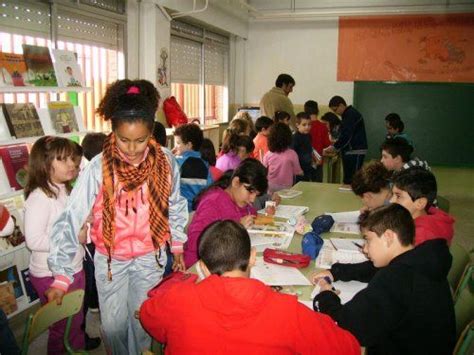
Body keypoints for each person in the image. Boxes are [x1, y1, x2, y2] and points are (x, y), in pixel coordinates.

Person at [45, 80, 188, 355]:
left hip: (150, 257)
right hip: (111, 260)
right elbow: (69, 218)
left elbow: (176, 203)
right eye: (124, 140)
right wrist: (62, 275)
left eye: (141, 140)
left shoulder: (166, 161)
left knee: (142, 322)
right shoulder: (97, 168)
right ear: (113, 132)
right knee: (112, 327)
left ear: (151, 134)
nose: (132, 149)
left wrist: (178, 243)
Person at [141, 220, 360, 354]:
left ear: (203, 268)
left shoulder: (178, 299)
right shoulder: (286, 311)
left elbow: (148, 316)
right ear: (253, 257)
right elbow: (347, 349)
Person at [312, 204, 455, 355]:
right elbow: (373, 270)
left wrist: (325, 296)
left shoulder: (396, 278)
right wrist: (338, 272)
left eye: (368, 240)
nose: (365, 249)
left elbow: (350, 324)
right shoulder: (421, 259)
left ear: (388, 237)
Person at [24, 136, 91, 353]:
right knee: (62, 329)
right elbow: (34, 240)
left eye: (73, 158)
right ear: (45, 164)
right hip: (50, 274)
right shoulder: (40, 197)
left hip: (74, 267)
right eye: (63, 159)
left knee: (75, 322)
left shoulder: (65, 189)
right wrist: (74, 236)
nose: (72, 164)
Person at [184, 158, 267, 268]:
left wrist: (263, 217)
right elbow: (196, 243)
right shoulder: (212, 203)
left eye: (256, 195)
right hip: (202, 266)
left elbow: (252, 216)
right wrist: (236, 228)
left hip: (228, 262)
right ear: (236, 182)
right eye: (250, 192)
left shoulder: (241, 202)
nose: (252, 199)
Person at [391, 168, 454, 246]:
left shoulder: (420, 237)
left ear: (420, 203)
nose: (391, 201)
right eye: (392, 195)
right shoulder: (425, 218)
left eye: (398, 196)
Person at [324, 96, 368, 186]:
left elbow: (346, 135)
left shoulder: (350, 114)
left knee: (353, 179)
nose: (336, 113)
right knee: (349, 178)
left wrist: (335, 147)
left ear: (341, 105)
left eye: (335, 110)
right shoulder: (348, 114)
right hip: (352, 150)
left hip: (355, 151)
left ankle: (352, 198)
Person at [173, 123, 212, 211]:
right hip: (198, 210)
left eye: (178, 143)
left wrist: (170, 157)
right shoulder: (205, 164)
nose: (175, 147)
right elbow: (209, 188)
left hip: (181, 211)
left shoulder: (177, 162)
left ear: (189, 145)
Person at [263, 122, 303, 193]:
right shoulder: (292, 154)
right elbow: (298, 171)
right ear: (288, 137)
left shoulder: (268, 154)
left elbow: (263, 169)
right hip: (286, 186)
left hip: (270, 185)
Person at [305, 101, 331, 180]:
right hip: (318, 161)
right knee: (317, 185)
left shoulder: (303, 127)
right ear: (317, 110)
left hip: (305, 161)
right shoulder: (323, 126)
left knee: (304, 186)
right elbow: (327, 144)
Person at [291, 112, 319, 182]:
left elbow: (309, 150)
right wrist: (298, 170)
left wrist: (314, 160)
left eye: (309, 124)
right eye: (304, 125)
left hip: (308, 168)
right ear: (297, 125)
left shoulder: (308, 136)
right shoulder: (295, 138)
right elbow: (292, 156)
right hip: (298, 170)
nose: (307, 127)